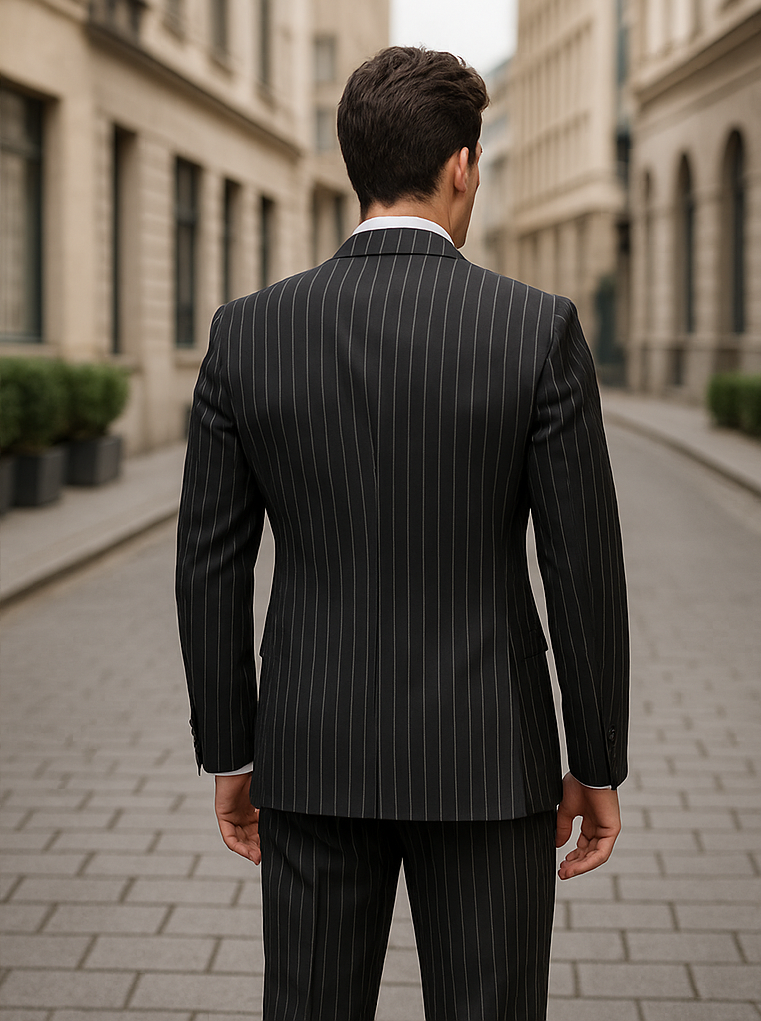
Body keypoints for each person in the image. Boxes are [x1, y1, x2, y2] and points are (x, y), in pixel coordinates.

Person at [176, 45, 629, 1021]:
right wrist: (593, 759)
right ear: (463, 164)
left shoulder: (245, 333)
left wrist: (230, 749)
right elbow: (580, 566)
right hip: (488, 755)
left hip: (310, 744)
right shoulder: (535, 329)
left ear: (352, 162)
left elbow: (209, 564)